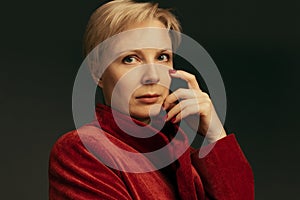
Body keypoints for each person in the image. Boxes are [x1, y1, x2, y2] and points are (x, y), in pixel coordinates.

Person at [49, 0, 254, 199]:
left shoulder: (183, 159)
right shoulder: (84, 149)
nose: (152, 76)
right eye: (130, 59)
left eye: (162, 57)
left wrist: (215, 135)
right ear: (97, 72)